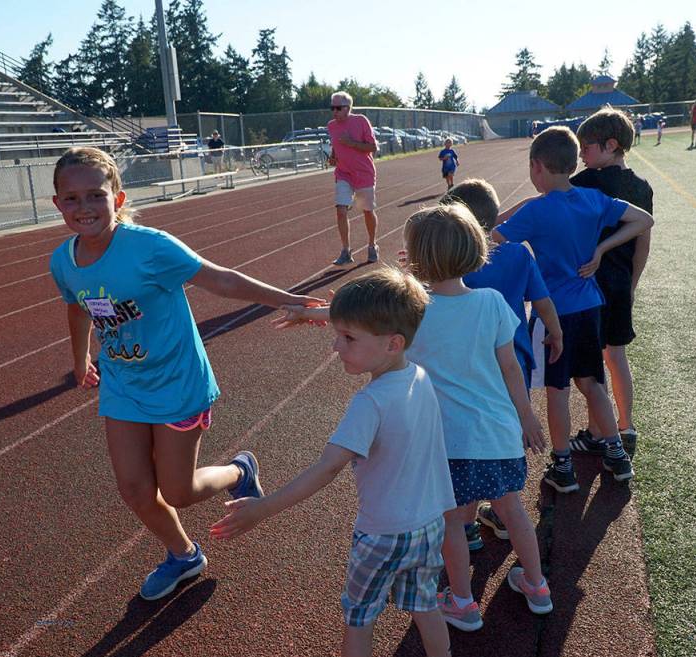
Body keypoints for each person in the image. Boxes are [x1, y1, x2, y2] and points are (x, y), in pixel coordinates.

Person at [48, 147, 322, 602]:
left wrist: (292, 301)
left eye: (96, 195)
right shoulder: (63, 260)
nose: (84, 207)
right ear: (57, 204)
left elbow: (223, 280)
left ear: (118, 198)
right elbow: (76, 308)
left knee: (177, 491)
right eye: (72, 199)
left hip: (177, 383)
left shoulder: (150, 247)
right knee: (134, 489)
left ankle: (238, 470)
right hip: (124, 384)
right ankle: (183, 555)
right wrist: (81, 359)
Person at [278, 204, 554, 626]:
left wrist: (311, 314)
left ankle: (463, 601)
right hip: (497, 433)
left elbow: (368, 320)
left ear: (416, 258)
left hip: (445, 441)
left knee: (452, 522)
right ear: (475, 247)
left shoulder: (417, 310)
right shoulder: (493, 302)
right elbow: (511, 368)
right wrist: (527, 416)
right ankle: (537, 585)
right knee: (513, 510)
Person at [212, 268, 456, 657]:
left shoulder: (370, 403)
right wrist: (317, 314)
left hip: (381, 534)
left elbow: (327, 468)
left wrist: (262, 508)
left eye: (348, 338)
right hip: (428, 525)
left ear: (392, 343)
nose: (335, 346)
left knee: (359, 620)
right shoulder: (418, 374)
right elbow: (375, 322)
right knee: (425, 605)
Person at [492, 127, 654, 493]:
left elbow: (491, 241)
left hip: (555, 313)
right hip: (590, 306)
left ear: (537, 166)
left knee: (558, 390)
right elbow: (644, 220)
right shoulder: (594, 199)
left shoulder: (536, 211)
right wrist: (601, 249)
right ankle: (617, 454)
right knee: (593, 384)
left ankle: (563, 466)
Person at [442, 179, 564, 543]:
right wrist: (556, 332)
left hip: (468, 367)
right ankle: (502, 509)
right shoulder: (517, 254)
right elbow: (542, 301)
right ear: (494, 218)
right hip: (513, 362)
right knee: (508, 433)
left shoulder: (453, 264)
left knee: (469, 440)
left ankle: (467, 524)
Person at [569, 107, 654, 459]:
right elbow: (643, 244)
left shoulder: (583, 184)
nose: (581, 156)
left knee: (592, 363)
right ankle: (626, 426)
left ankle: (596, 432)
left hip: (587, 285)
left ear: (611, 145)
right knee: (616, 356)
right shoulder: (641, 187)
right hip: (619, 283)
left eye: (586, 148)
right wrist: (631, 285)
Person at [327, 91, 380, 266]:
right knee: (340, 210)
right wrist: (333, 156)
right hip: (343, 173)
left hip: (364, 173)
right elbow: (336, 144)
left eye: (338, 108)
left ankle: (372, 245)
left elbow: (373, 147)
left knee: (367, 211)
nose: (334, 111)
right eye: (332, 108)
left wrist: (351, 143)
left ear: (347, 108)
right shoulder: (331, 126)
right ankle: (346, 250)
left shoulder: (361, 121)